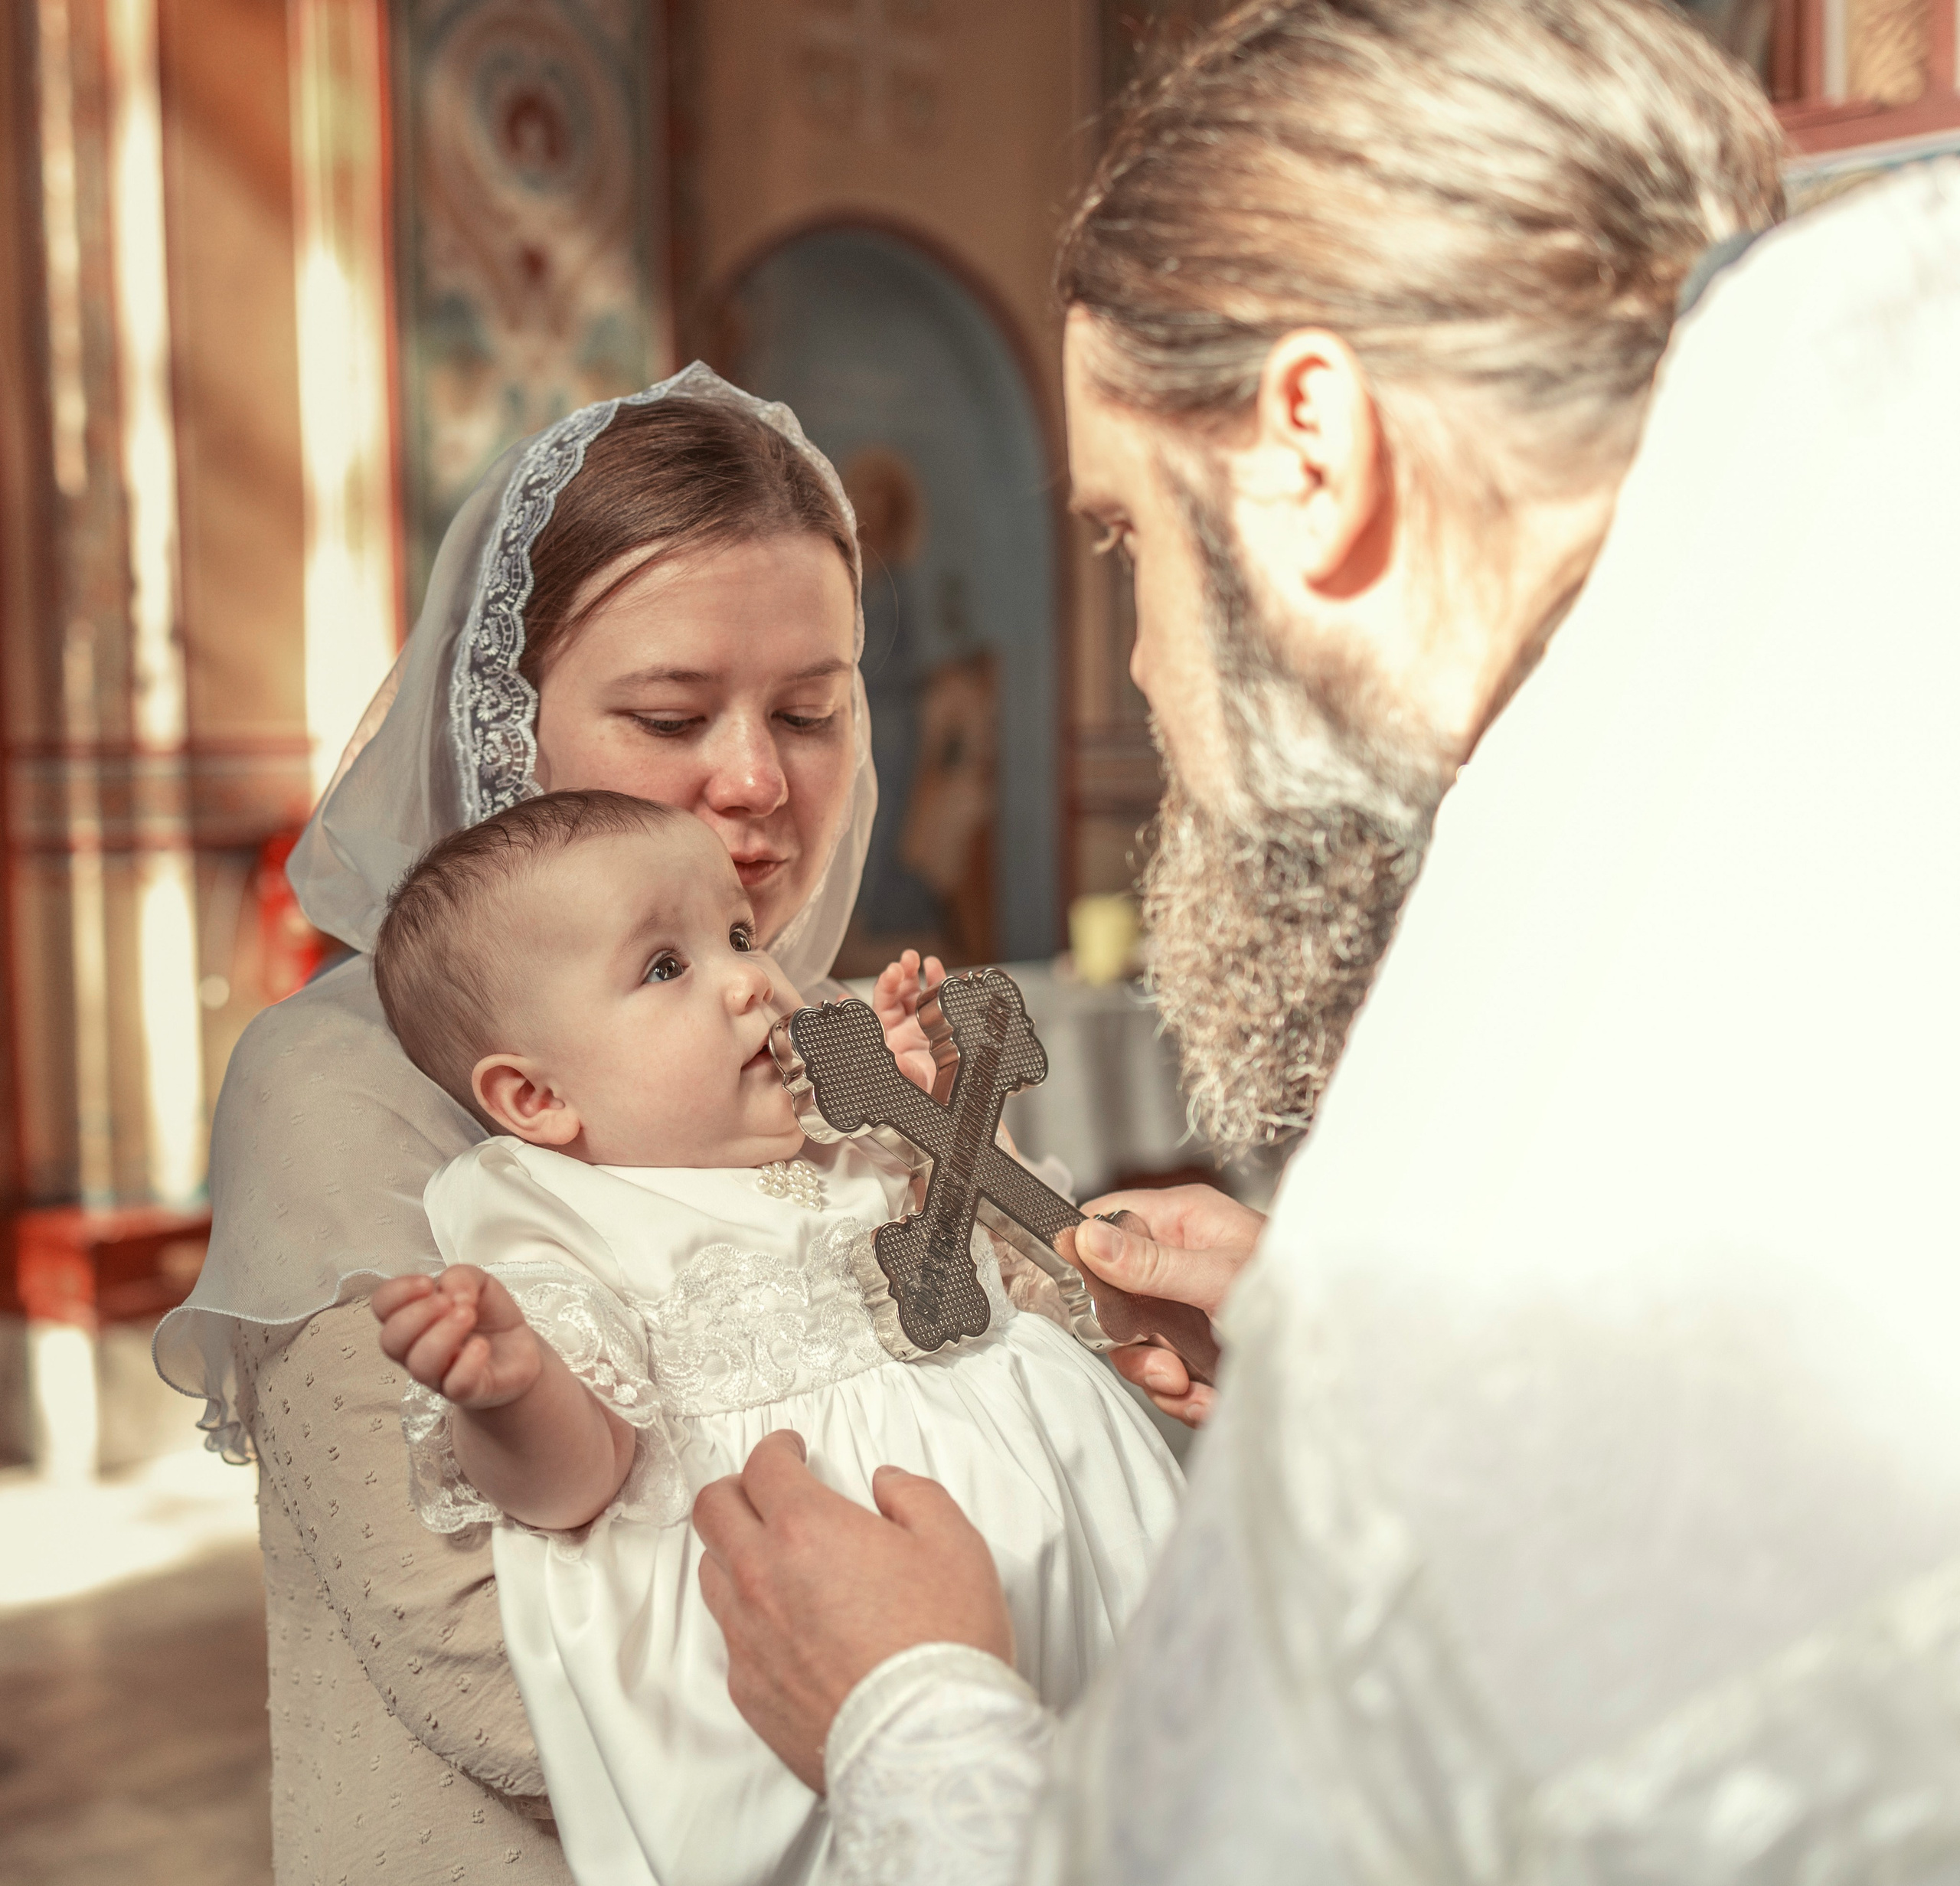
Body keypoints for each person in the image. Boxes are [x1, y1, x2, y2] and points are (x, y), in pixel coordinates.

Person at [688, 5, 1960, 1881]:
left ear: (1309, 442)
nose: (1136, 663)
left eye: (1126, 537)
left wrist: (903, 1704)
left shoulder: (1510, 1172)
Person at [154, 364, 889, 1884]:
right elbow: (481, 1661)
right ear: (502, 724)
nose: (756, 779)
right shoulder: (340, 1084)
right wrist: (950, 1696)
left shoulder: (844, 1040)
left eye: (810, 711)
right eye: (671, 714)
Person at [363, 789, 1179, 1886]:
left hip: (1075, 1532)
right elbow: (577, 1484)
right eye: (666, 966)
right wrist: (511, 1392)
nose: (754, 979)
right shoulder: (553, 1210)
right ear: (536, 1097)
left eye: (741, 935)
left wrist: (931, 1111)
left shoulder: (844, 1134)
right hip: (820, 1615)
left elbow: (1007, 1244)